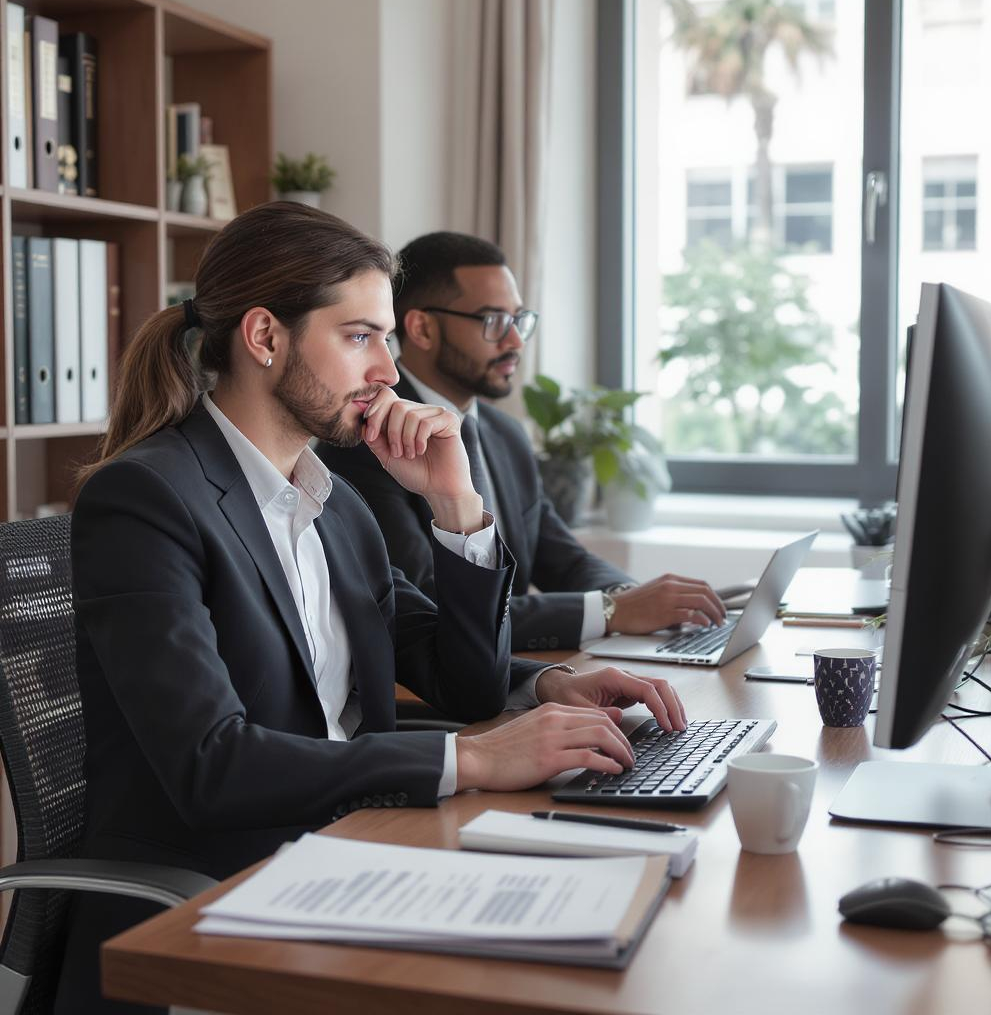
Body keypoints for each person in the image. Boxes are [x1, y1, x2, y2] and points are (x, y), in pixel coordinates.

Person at [58, 203, 687, 1015]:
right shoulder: (146, 498)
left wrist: (457, 506)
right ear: (264, 337)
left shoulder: (333, 501)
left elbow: (459, 684)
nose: (388, 369)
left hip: (348, 857)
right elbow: (212, 766)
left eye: (387, 339)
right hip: (212, 899)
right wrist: (475, 761)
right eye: (360, 336)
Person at [317, 232, 727, 653]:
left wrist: (632, 598)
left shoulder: (505, 433)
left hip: (517, 673)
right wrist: (610, 612)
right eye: (494, 321)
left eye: (519, 320)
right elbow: (431, 605)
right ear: (422, 327)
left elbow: (561, 557)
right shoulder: (366, 440)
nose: (515, 341)